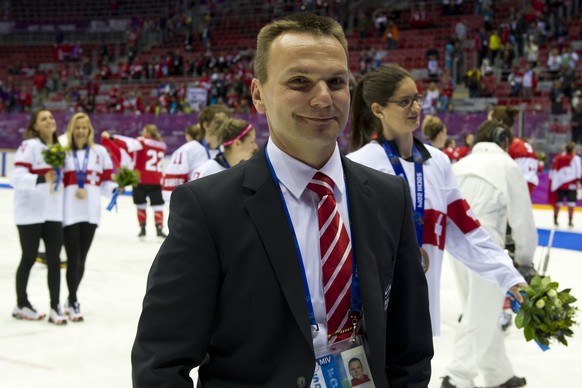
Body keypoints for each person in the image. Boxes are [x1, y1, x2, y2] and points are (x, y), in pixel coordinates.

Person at [132, 13, 433, 387]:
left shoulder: (389, 198)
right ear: (258, 94)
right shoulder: (208, 208)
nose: (323, 97)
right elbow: (160, 362)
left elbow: (410, 347)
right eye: (300, 81)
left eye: (336, 81)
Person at [347, 63, 526, 336]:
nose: (416, 108)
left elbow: (466, 231)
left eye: (417, 99)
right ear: (378, 109)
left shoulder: (437, 162)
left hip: (422, 315)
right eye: (404, 102)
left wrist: (509, 277)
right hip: (369, 318)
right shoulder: (357, 165)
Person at [442, 120, 537, 388]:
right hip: (487, 242)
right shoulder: (506, 165)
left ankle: (498, 373)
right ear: (503, 140)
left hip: (456, 243)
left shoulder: (458, 165)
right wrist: (525, 261)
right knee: (479, 314)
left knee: (481, 309)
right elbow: (522, 220)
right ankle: (456, 378)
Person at [9, 109, 66, 325]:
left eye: (51, 117)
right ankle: (21, 303)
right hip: (30, 212)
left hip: (52, 211)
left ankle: (55, 306)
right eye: (44, 119)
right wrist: (42, 178)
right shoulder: (29, 146)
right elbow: (15, 176)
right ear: (35, 126)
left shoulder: (59, 149)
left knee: (54, 260)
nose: (49, 120)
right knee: (29, 257)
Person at [61, 112, 118, 321]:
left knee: (81, 259)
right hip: (68, 213)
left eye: (85, 128)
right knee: (73, 257)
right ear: (71, 130)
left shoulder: (99, 152)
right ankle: (73, 299)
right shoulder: (63, 152)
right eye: (77, 127)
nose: (81, 131)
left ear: (90, 130)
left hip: (91, 213)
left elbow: (105, 182)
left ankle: (70, 298)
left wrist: (114, 190)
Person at [102, 125, 167, 239]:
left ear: (147, 132)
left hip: (140, 179)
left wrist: (111, 138)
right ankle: (159, 228)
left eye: (144, 130)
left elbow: (125, 144)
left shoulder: (142, 142)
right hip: (156, 180)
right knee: (157, 206)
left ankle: (142, 229)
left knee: (140, 204)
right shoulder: (162, 145)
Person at [161, 105, 231, 201]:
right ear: (206, 125)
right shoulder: (186, 151)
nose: (227, 127)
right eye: (221, 123)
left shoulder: (230, 149)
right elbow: (169, 192)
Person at [489, 105, 541, 196]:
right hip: (526, 186)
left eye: (489, 121)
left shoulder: (506, 144)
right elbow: (538, 168)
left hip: (515, 188)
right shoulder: (521, 144)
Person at [190, 113, 258, 180]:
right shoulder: (206, 172)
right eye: (252, 142)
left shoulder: (245, 170)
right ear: (237, 143)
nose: (255, 147)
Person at [549, 142, 582, 227]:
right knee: (571, 204)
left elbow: (553, 171)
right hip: (572, 184)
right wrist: (579, 182)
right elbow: (579, 172)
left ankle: (555, 220)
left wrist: (553, 183)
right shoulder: (576, 159)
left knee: (558, 203)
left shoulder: (558, 158)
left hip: (560, 185)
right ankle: (570, 221)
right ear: (573, 149)